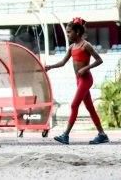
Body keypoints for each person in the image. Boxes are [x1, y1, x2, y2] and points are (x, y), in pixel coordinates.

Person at [45, 17, 109, 145]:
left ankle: (65, 135)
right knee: (90, 108)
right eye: (67, 32)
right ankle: (102, 134)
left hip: (86, 80)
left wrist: (86, 68)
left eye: (69, 32)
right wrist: (50, 67)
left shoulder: (86, 45)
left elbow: (99, 60)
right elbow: (63, 62)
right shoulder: (72, 47)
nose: (67, 34)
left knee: (74, 105)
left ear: (77, 32)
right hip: (78, 80)